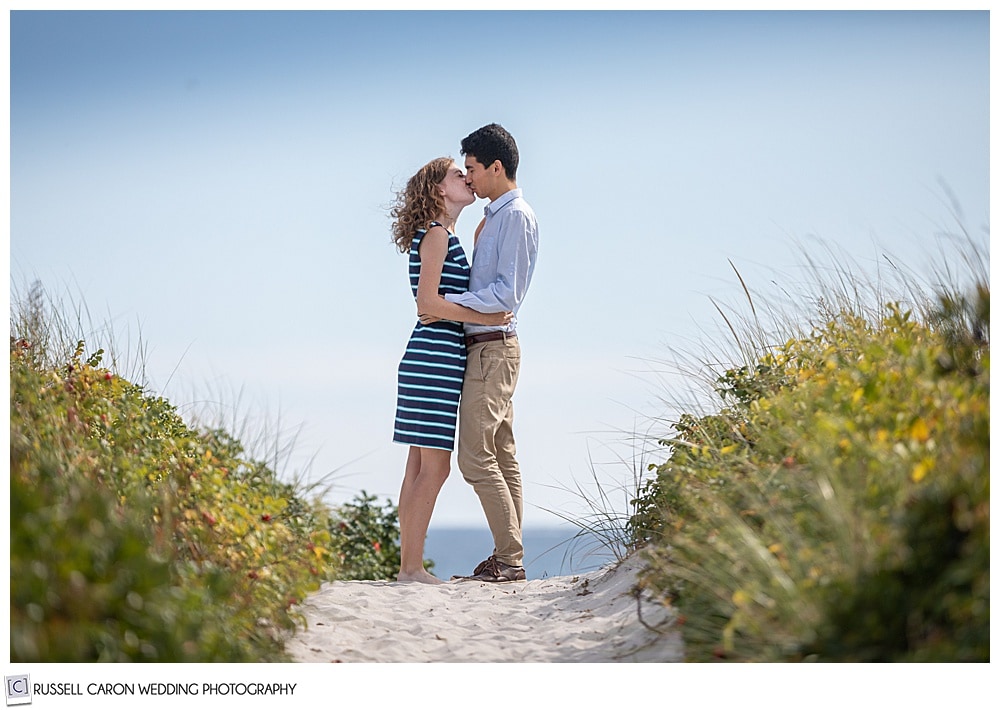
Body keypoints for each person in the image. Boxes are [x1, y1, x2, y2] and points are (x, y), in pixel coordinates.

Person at [390, 157, 513, 584]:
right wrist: (488, 318)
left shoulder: (444, 235)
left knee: (418, 467)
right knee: (435, 468)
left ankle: (408, 566)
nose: (466, 178)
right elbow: (427, 303)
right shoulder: (439, 236)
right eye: (457, 175)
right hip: (435, 357)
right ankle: (411, 568)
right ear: (440, 189)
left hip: (433, 355)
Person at [433, 123, 539, 583]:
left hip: (493, 350)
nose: (469, 178)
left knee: (475, 457)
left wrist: (447, 308)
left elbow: (505, 295)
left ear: (497, 167)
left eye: (473, 169)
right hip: (489, 348)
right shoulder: (496, 217)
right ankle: (509, 558)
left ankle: (509, 560)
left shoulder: (514, 216)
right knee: (501, 451)